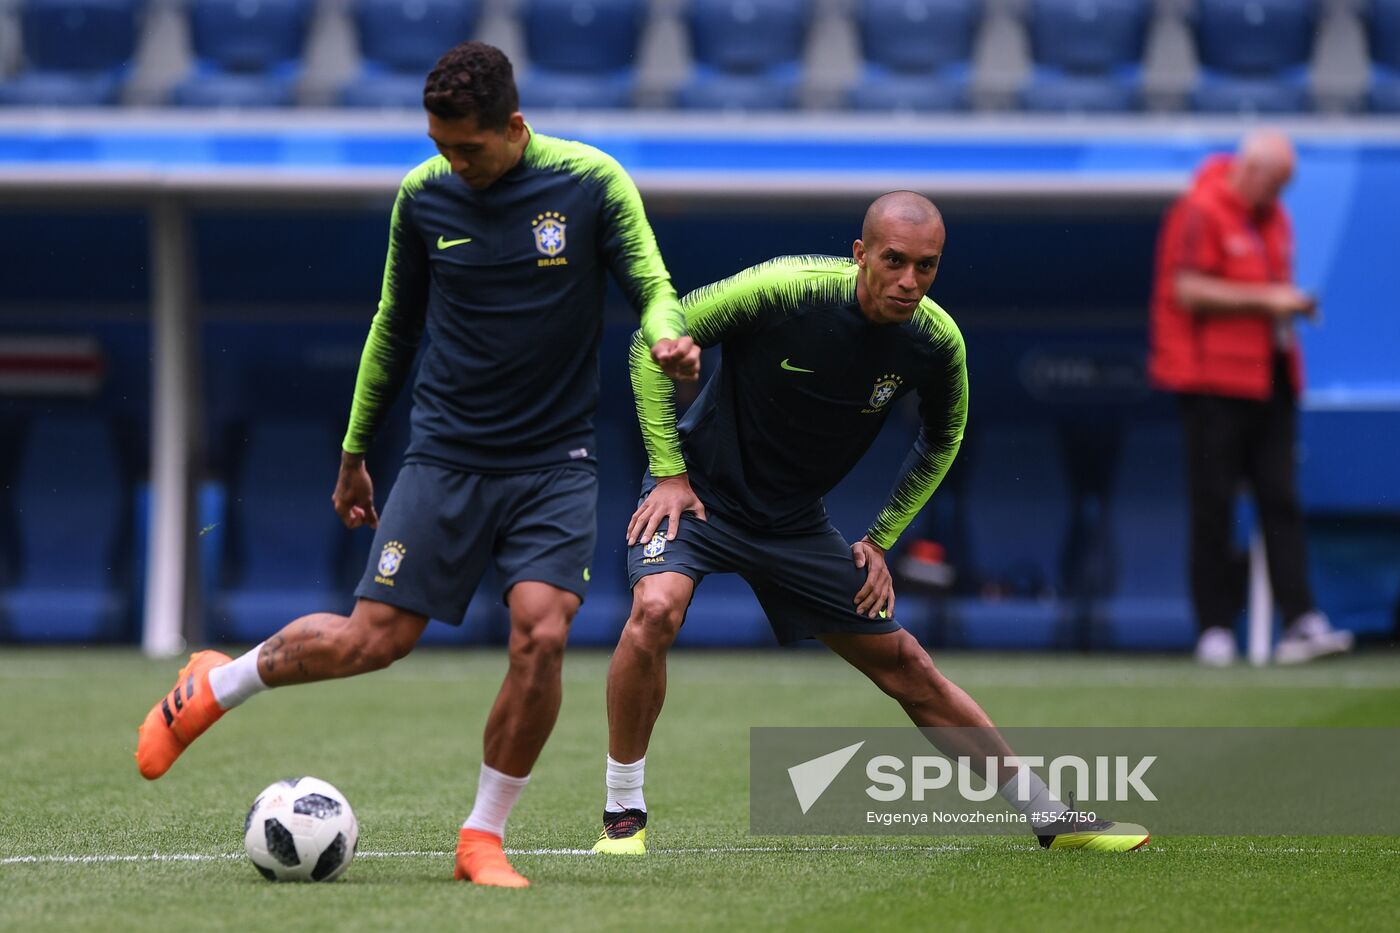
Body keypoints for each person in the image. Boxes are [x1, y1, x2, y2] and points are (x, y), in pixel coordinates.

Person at [134, 40, 701, 888]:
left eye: (466, 147)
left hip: (555, 460)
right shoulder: (424, 197)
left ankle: (482, 837)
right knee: (374, 641)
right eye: (439, 145)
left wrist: (664, 334)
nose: (451, 161)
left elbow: (651, 281)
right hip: (445, 454)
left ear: (514, 126)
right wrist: (356, 451)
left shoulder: (590, 184)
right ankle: (219, 683)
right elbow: (393, 328)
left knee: (541, 634)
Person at [590, 192, 1148, 855]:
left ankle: (1049, 815)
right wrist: (670, 471)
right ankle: (623, 808)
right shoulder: (782, 288)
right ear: (861, 255)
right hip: (699, 498)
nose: (909, 281)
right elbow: (650, 342)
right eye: (894, 261)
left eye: (927, 266)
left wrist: (882, 538)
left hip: (792, 523)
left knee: (908, 667)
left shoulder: (936, 341)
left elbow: (944, 439)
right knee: (656, 607)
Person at [1148, 129, 1353, 667]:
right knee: (1213, 507)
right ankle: (1213, 629)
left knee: (1281, 500)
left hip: (1272, 377)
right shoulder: (1201, 208)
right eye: (1277, 183)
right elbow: (1186, 289)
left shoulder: (1275, 220)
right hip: (1212, 382)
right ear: (1253, 169)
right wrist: (1271, 299)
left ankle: (1301, 622)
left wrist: (1286, 305)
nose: (1280, 196)